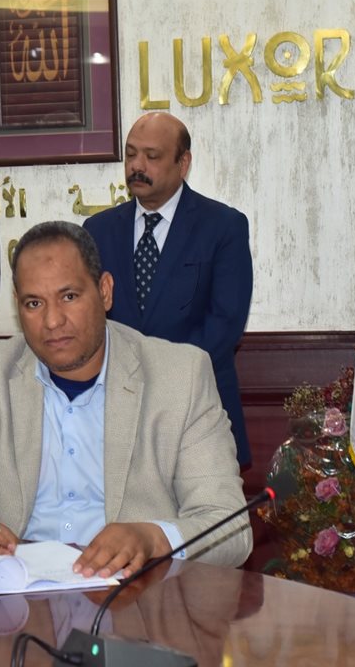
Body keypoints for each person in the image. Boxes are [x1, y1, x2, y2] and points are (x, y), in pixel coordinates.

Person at [0, 222, 251, 576]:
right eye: (34, 303)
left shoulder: (179, 377)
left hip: (132, 600)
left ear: (105, 292)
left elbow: (229, 527)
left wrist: (153, 538)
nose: (52, 321)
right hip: (15, 599)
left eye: (69, 297)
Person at [83, 112, 254, 467]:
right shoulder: (98, 230)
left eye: (152, 156)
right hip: (117, 413)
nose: (137, 166)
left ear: (183, 163)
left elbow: (225, 324)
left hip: (199, 407)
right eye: (131, 154)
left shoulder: (223, 227)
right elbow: (89, 318)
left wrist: (159, 379)